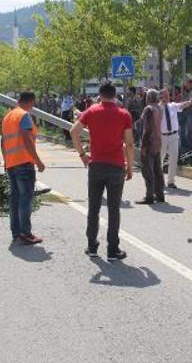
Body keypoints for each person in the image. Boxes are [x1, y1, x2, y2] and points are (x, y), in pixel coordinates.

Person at [70, 83, 134, 261]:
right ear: (115, 96)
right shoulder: (124, 114)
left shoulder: (91, 111)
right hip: (116, 166)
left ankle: (92, 246)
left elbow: (73, 131)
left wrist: (82, 154)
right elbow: (129, 143)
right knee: (114, 209)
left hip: (96, 165)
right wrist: (130, 166)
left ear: (100, 95)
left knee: (94, 207)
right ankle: (113, 250)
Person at [1, 92, 45, 245]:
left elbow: (3, 141)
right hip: (24, 163)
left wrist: (6, 161)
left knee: (15, 199)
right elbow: (26, 138)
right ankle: (26, 233)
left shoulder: (8, 117)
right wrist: (38, 161)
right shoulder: (24, 115)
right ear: (31, 102)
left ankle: (16, 232)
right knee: (25, 199)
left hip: (12, 163)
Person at [158, 88, 192, 189]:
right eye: (163, 95)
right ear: (160, 97)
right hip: (162, 136)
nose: (165, 97)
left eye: (167, 95)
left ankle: (171, 181)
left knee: (173, 158)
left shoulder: (173, 106)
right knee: (160, 159)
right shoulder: (157, 108)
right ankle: (159, 180)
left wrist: (190, 102)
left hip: (174, 135)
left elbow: (182, 105)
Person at [138, 89, 165, 204]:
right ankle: (160, 194)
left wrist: (143, 146)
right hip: (158, 141)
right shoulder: (159, 108)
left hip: (149, 142)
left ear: (148, 98)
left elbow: (147, 129)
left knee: (148, 171)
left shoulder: (148, 109)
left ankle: (149, 196)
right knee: (157, 170)